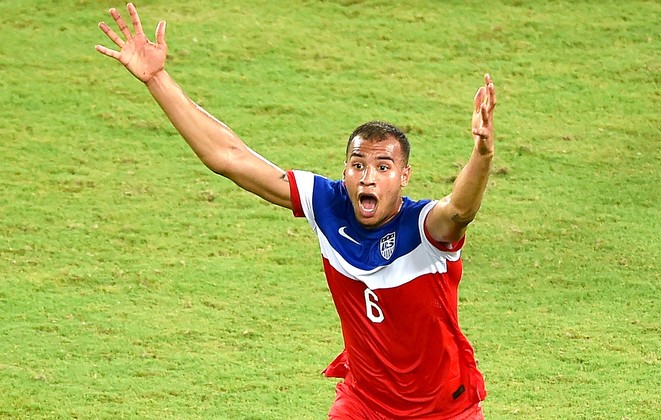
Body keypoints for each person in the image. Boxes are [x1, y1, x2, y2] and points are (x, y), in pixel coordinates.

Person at [96, 3, 496, 419]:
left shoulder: (424, 228)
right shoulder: (328, 204)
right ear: (344, 170)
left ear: (405, 176)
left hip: (443, 409)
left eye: (383, 167)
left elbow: (460, 209)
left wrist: (482, 152)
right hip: (364, 403)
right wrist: (158, 79)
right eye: (358, 165)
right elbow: (229, 157)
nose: (368, 178)